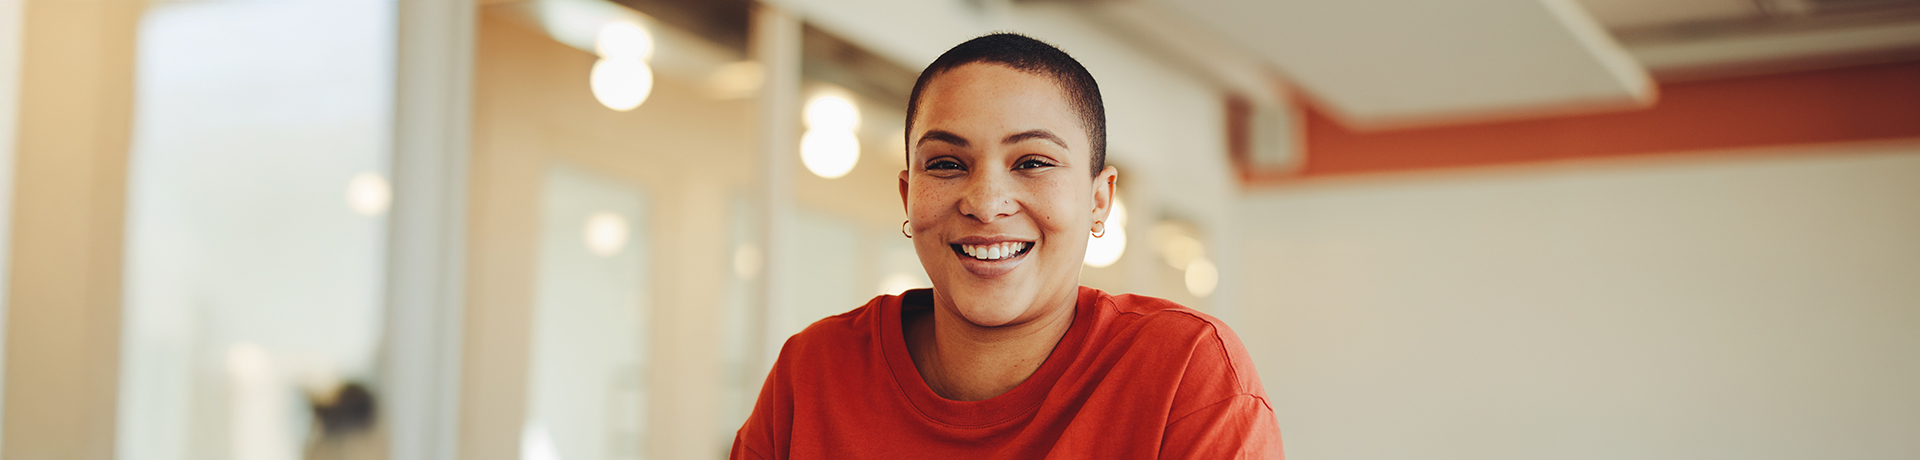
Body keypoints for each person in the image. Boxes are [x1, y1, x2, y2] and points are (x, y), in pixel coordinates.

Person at [731, 33, 1282, 459]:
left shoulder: (1185, 372)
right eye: (946, 164)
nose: (986, 201)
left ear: (1098, 200)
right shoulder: (813, 373)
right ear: (908, 195)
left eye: (1033, 162)